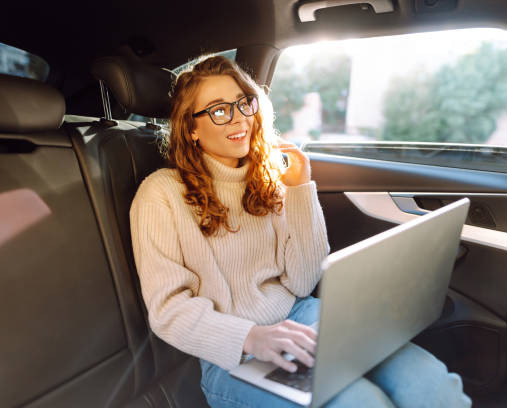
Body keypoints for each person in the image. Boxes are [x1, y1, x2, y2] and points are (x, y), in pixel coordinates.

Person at [129, 55, 472, 408]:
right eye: (219, 110)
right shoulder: (161, 194)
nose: (240, 119)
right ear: (191, 128)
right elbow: (168, 310)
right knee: (362, 403)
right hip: (232, 356)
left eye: (244, 103)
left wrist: (300, 190)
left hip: (303, 317)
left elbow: (301, 283)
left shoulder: (266, 181)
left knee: (430, 383)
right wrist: (252, 337)